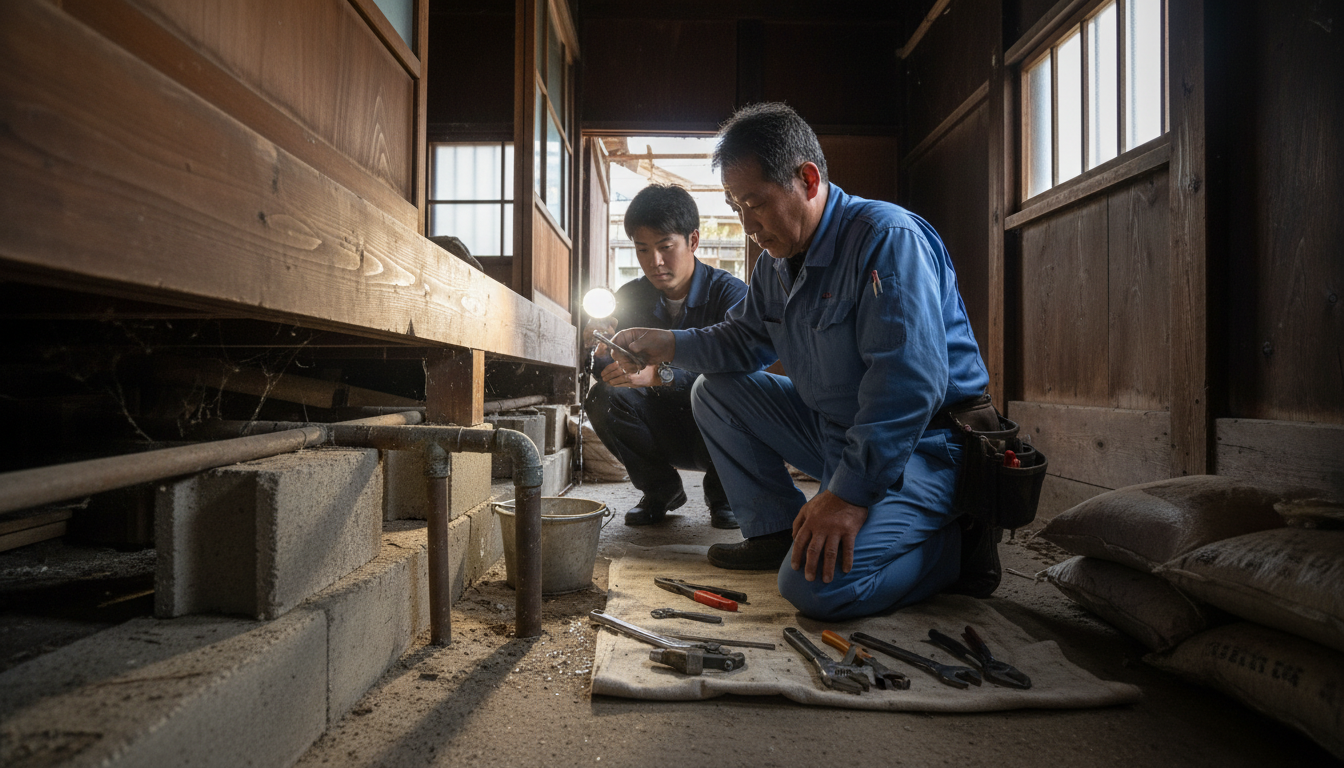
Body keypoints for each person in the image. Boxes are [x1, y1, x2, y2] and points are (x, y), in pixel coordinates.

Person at [611, 103, 991, 621]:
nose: (746, 224)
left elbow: (908, 385)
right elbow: (742, 342)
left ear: (808, 179)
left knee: (815, 589)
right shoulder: (776, 264)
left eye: (754, 203)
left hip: (923, 446)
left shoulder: (886, 239)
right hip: (837, 432)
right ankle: (774, 529)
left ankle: (959, 547)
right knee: (716, 390)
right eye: (735, 205)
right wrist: (668, 344)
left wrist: (848, 497)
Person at [585, 184, 749, 529]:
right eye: (642, 250)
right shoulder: (629, 297)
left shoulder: (731, 294)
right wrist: (598, 350)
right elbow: (607, 371)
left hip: (718, 428)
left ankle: (725, 494)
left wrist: (661, 374)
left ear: (693, 241)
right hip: (660, 425)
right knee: (602, 397)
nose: (654, 262)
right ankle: (661, 490)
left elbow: (742, 369)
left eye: (665, 247)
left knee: (736, 393)